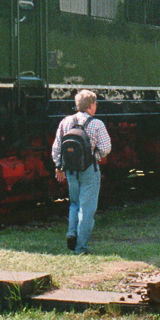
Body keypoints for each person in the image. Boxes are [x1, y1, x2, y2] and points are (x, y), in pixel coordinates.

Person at [51, 89, 112, 255]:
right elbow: (106, 148)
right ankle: (81, 248)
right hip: (89, 170)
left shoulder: (65, 122)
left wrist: (59, 166)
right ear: (91, 105)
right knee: (87, 209)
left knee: (74, 203)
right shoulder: (96, 124)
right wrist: (94, 156)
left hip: (71, 170)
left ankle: (71, 232)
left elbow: (57, 147)